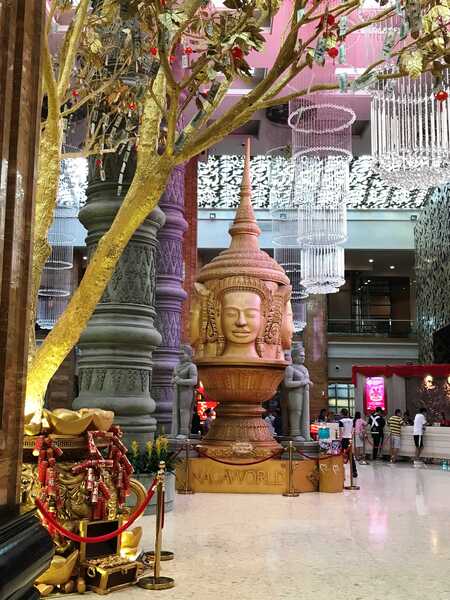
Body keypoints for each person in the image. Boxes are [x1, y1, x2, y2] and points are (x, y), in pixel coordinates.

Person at [339, 408, 358, 479]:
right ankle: (354, 471)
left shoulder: (341, 421)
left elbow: (341, 432)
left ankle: (340, 471)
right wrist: (351, 438)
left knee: (340, 455)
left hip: (343, 439)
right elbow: (353, 431)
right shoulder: (352, 420)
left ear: (342, 413)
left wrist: (340, 440)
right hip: (349, 439)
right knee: (351, 456)